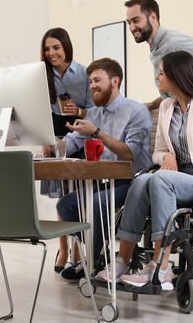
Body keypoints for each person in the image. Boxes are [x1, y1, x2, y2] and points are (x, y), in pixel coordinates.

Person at [96, 51, 193, 289]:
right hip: (172, 178)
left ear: (178, 75)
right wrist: (167, 155)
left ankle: (161, 267)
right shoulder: (166, 107)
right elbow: (158, 151)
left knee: (159, 179)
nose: (157, 77)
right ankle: (122, 261)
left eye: (162, 73)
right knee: (142, 180)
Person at [57, 57, 152, 281]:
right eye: (90, 81)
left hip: (134, 183)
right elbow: (71, 143)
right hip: (104, 181)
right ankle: (100, 255)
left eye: (97, 80)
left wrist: (97, 132)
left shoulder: (137, 111)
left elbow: (130, 153)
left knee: (98, 203)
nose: (92, 86)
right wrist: (49, 143)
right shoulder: (93, 114)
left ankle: (93, 260)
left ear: (115, 81)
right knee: (66, 206)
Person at [41, 28, 95, 272]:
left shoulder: (84, 73)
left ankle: (78, 247)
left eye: (56, 47)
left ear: (66, 47)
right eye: (47, 48)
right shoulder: (42, 74)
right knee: (63, 194)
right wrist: (45, 139)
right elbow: (40, 108)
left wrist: (79, 112)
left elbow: (95, 109)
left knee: (81, 195)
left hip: (81, 132)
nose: (51, 53)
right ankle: (63, 248)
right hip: (54, 132)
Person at [124, 0, 193, 111]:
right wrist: (150, 105)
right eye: (129, 22)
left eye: (136, 21)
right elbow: (174, 94)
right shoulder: (155, 50)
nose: (131, 28)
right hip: (178, 122)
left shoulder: (174, 43)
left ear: (152, 17)